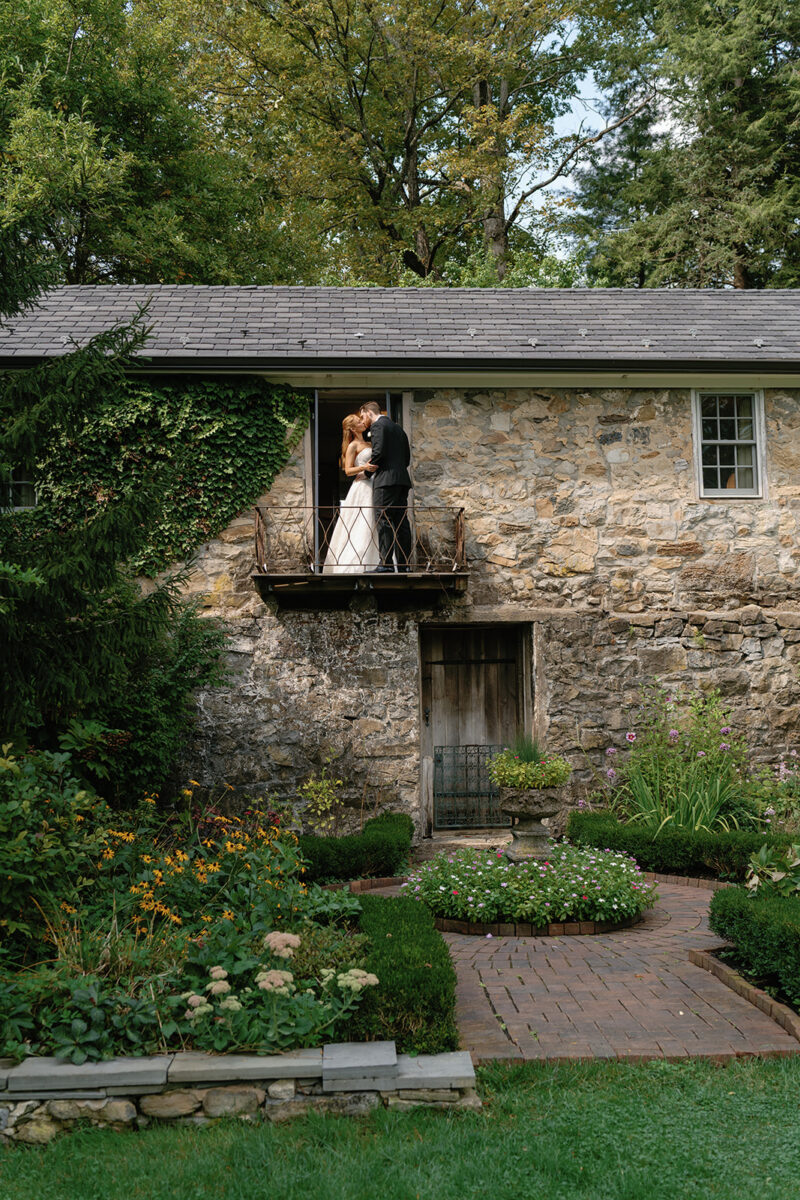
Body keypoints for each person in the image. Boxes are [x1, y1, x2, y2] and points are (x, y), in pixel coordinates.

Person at [322, 413, 380, 574]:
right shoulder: (353, 446)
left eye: (361, 420)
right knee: (362, 521)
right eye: (358, 422)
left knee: (374, 521)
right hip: (362, 484)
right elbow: (347, 470)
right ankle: (356, 563)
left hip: (375, 483)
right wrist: (364, 468)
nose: (362, 422)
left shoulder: (370, 441)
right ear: (353, 429)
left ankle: (377, 561)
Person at [359, 400, 412, 573]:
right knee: (401, 523)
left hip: (386, 482)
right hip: (402, 480)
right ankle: (404, 565)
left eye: (362, 416)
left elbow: (378, 452)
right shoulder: (399, 429)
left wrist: (366, 472)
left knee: (384, 520)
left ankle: (386, 564)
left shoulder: (377, 426)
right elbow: (406, 459)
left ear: (368, 412)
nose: (363, 421)